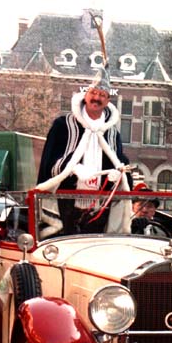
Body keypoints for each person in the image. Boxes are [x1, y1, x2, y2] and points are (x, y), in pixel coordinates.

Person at [36, 61, 130, 235]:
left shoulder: (112, 132)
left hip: (99, 206)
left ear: (108, 100)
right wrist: (73, 168)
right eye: (93, 93)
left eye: (102, 95)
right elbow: (49, 160)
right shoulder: (63, 125)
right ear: (86, 95)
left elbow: (119, 160)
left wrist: (117, 174)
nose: (97, 98)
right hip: (64, 200)